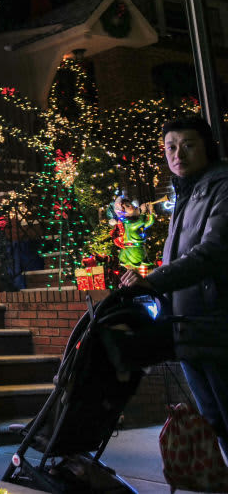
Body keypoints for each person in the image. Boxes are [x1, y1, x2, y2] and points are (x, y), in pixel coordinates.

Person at [121, 116, 228, 454]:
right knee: (216, 424)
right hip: (191, 329)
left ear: (207, 147)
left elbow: (212, 252)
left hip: (218, 327)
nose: (178, 153)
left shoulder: (221, 186)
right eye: (171, 147)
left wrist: (151, 281)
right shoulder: (187, 191)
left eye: (188, 145)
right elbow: (178, 257)